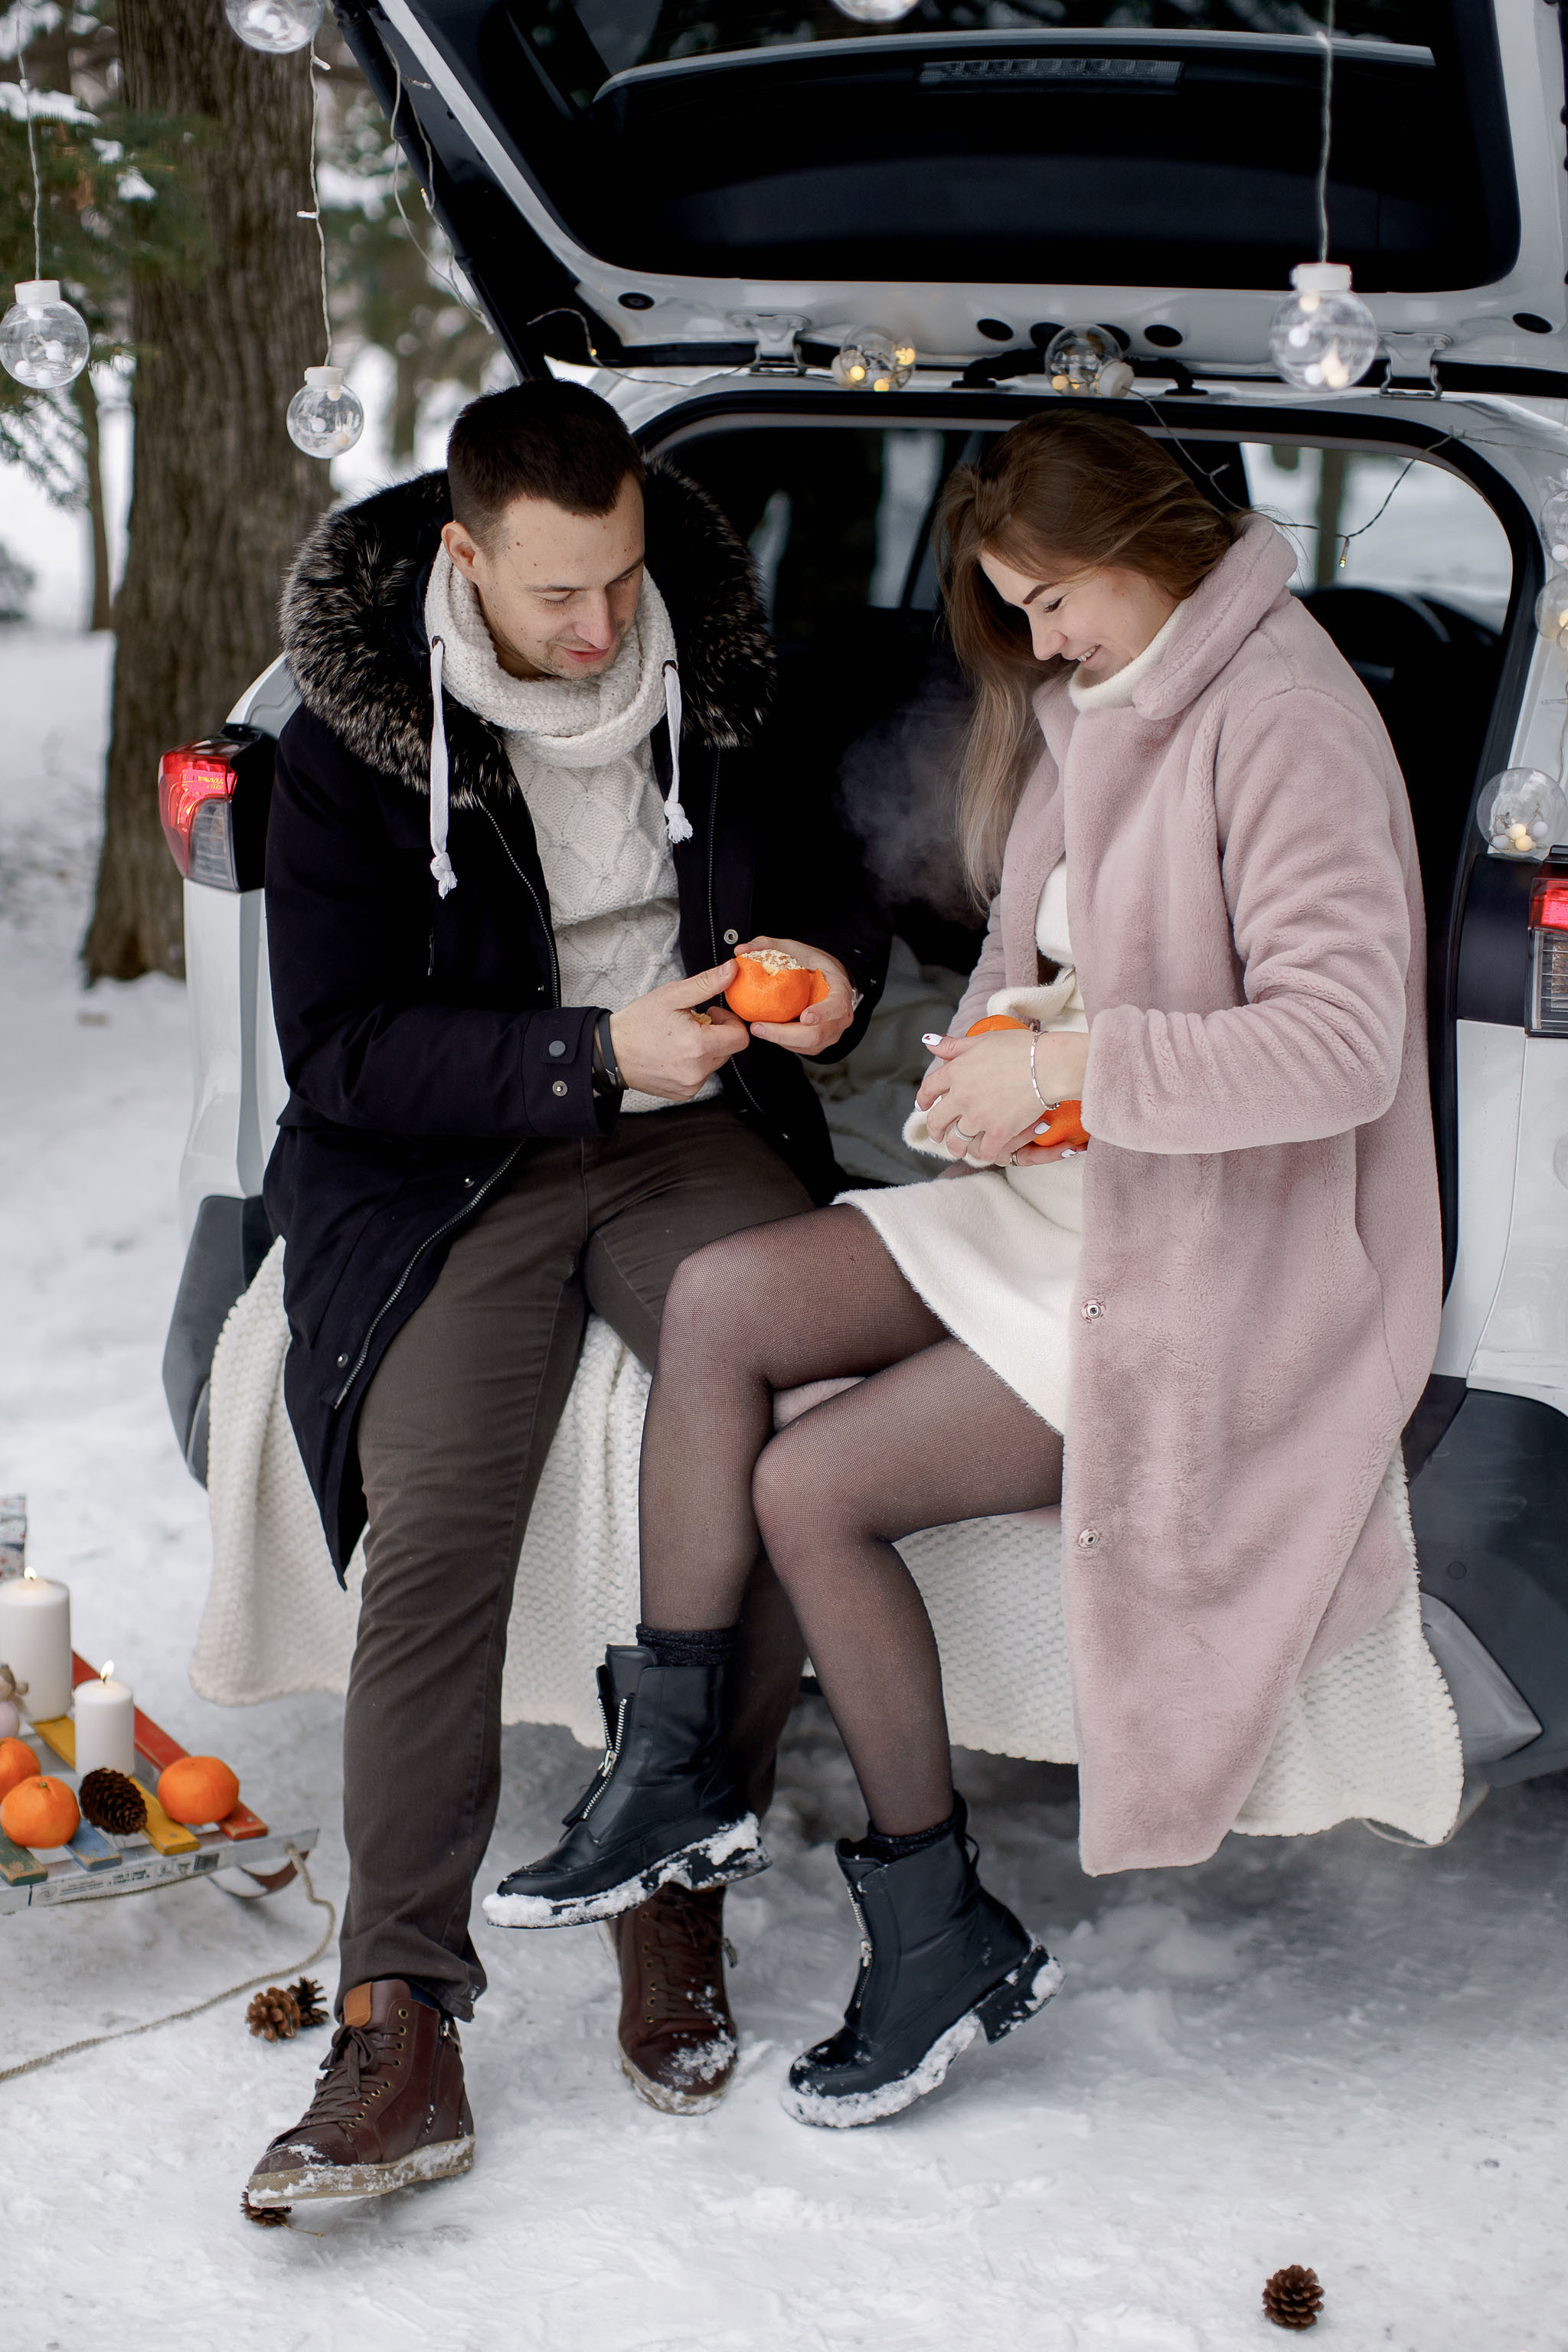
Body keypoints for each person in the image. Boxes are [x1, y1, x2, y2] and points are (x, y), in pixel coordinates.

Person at [483, 410, 1442, 2128]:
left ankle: (936, 1927)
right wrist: (985, 1056)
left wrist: (1074, 1074)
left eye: (1054, 600)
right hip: (1083, 1198)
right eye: (1015, 610)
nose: (1041, 642)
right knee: (721, 1306)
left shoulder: (1291, 721)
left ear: (1154, 542)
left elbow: (1343, 1047)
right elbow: (1026, 944)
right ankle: (679, 1768)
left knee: (815, 1485)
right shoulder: (1104, 702)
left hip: (1219, 1253)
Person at [242, 381, 887, 2214]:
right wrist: (590, 1050)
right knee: (439, 1533)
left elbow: (836, 888)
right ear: (462, 558)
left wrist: (824, 978)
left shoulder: (723, 676)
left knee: (787, 1439)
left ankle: (669, 1872)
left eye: (615, 580)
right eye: (549, 595)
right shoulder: (350, 747)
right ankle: (401, 2024)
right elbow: (341, 1052)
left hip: (693, 1133)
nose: (594, 625)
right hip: (458, 1159)